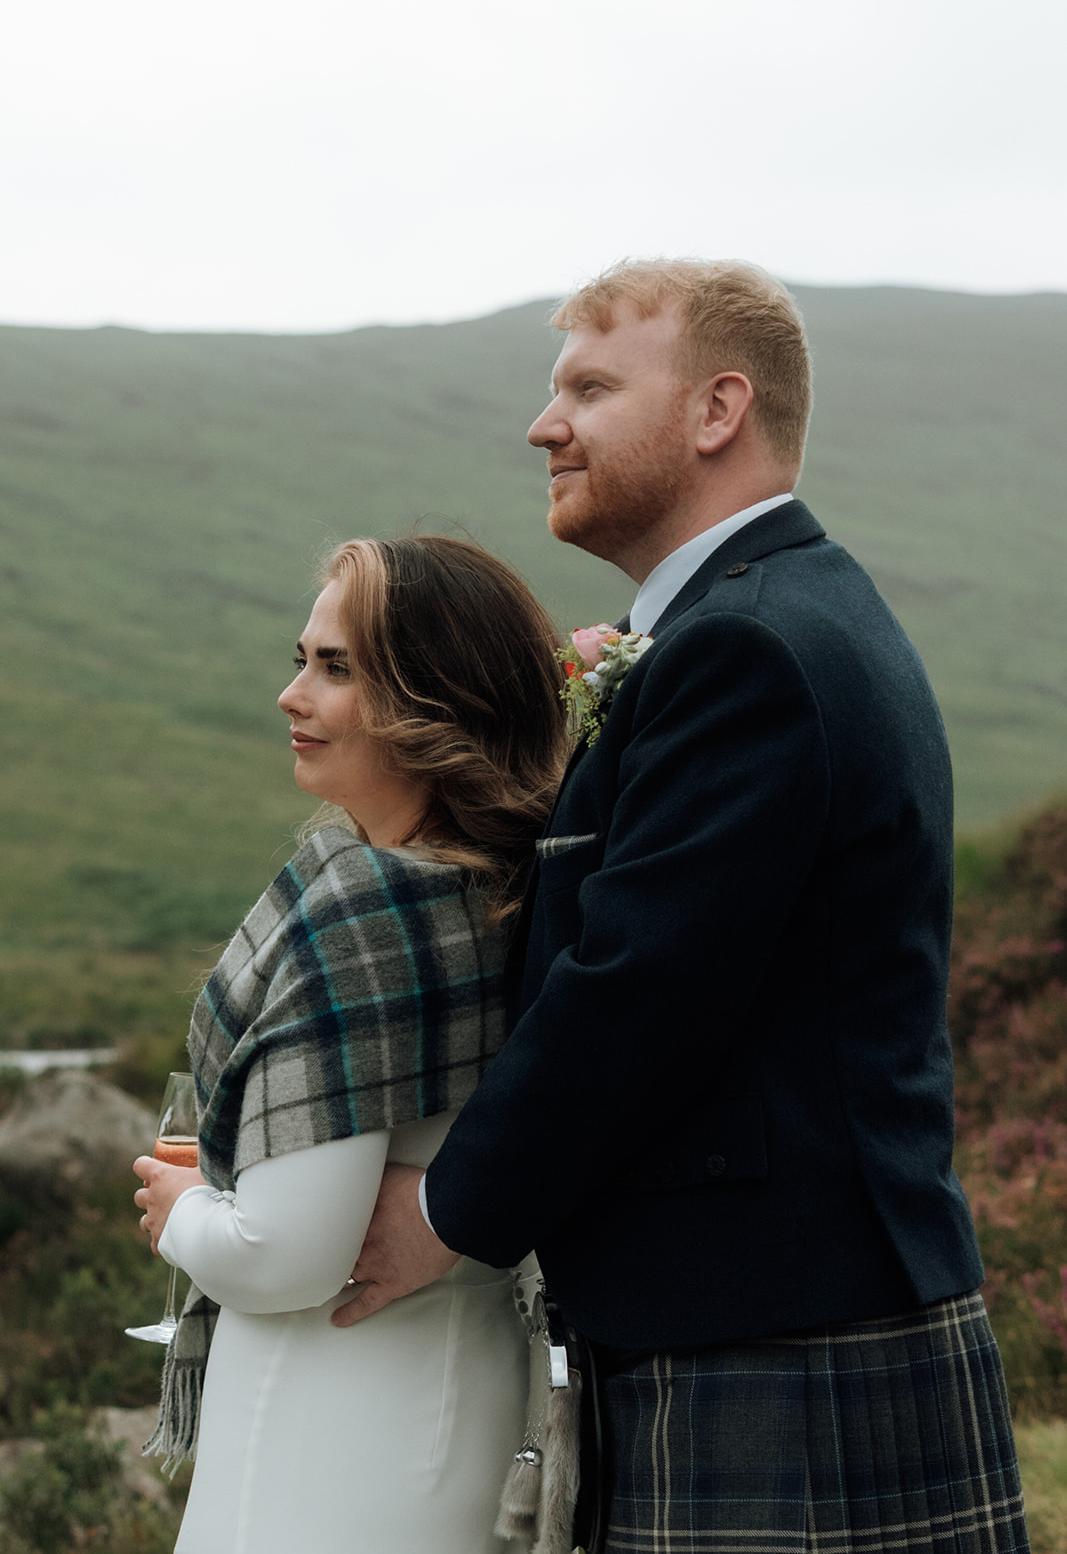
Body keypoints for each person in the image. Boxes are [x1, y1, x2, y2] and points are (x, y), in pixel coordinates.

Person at [333, 261, 1030, 1553]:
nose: (545, 427)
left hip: (769, 1318)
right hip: (756, 1301)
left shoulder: (744, 648)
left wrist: (443, 1215)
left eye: (589, 389)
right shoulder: (743, 624)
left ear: (716, 410)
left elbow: (638, 985)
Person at [133, 534, 569, 1554]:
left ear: (434, 702)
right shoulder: (503, 894)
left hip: (326, 1422)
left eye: (336, 669)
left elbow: (287, 1253)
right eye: (302, 659)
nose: (292, 695)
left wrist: (181, 1211)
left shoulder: (371, 910)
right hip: (453, 1400)